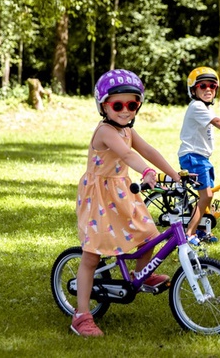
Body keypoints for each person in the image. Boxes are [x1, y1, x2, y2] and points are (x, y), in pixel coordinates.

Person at [71, 69, 183, 337]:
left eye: (132, 104)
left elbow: (148, 151)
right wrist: (146, 172)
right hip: (99, 196)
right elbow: (128, 155)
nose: (125, 111)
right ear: (103, 106)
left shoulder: (128, 130)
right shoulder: (106, 131)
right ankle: (81, 315)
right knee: (91, 255)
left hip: (122, 192)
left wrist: (173, 174)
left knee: (147, 235)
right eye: (118, 105)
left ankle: (139, 274)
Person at [178, 67, 220, 246]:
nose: (208, 89)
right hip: (193, 156)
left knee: (208, 194)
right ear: (193, 90)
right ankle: (189, 233)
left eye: (212, 86)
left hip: (200, 157)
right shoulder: (197, 106)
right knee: (206, 196)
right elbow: (218, 122)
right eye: (202, 86)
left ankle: (202, 230)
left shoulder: (202, 107)